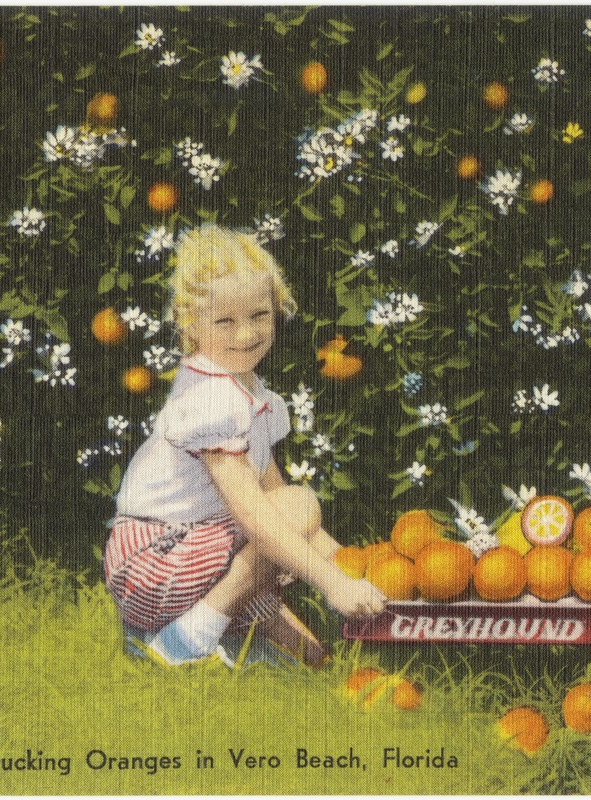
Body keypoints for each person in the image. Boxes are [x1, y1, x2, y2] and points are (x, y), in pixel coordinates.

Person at [104, 225, 386, 667]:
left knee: (316, 661)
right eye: (225, 321)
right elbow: (260, 516)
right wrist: (333, 583)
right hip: (153, 562)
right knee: (298, 504)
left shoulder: (249, 393)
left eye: (259, 316)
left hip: (201, 555)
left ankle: (216, 631)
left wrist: (356, 565)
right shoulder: (210, 400)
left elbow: (274, 498)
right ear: (191, 326)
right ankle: (184, 642)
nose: (246, 335)